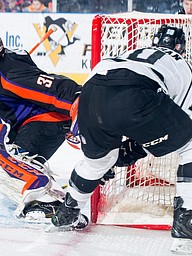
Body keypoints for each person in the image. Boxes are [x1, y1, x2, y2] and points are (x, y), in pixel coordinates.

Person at [50, 24, 192, 251]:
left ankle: (67, 213)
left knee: (97, 161)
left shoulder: (133, 53)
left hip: (91, 91)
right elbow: (176, 126)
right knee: (190, 145)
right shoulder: (182, 65)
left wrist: (115, 152)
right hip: (134, 93)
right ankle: (186, 227)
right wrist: (132, 151)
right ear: (181, 47)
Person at [0, 26, 81, 220]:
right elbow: (5, 100)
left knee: (5, 163)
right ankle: (41, 193)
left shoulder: (11, 75)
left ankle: (42, 198)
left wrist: (80, 105)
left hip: (46, 120)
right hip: (29, 121)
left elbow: (57, 89)